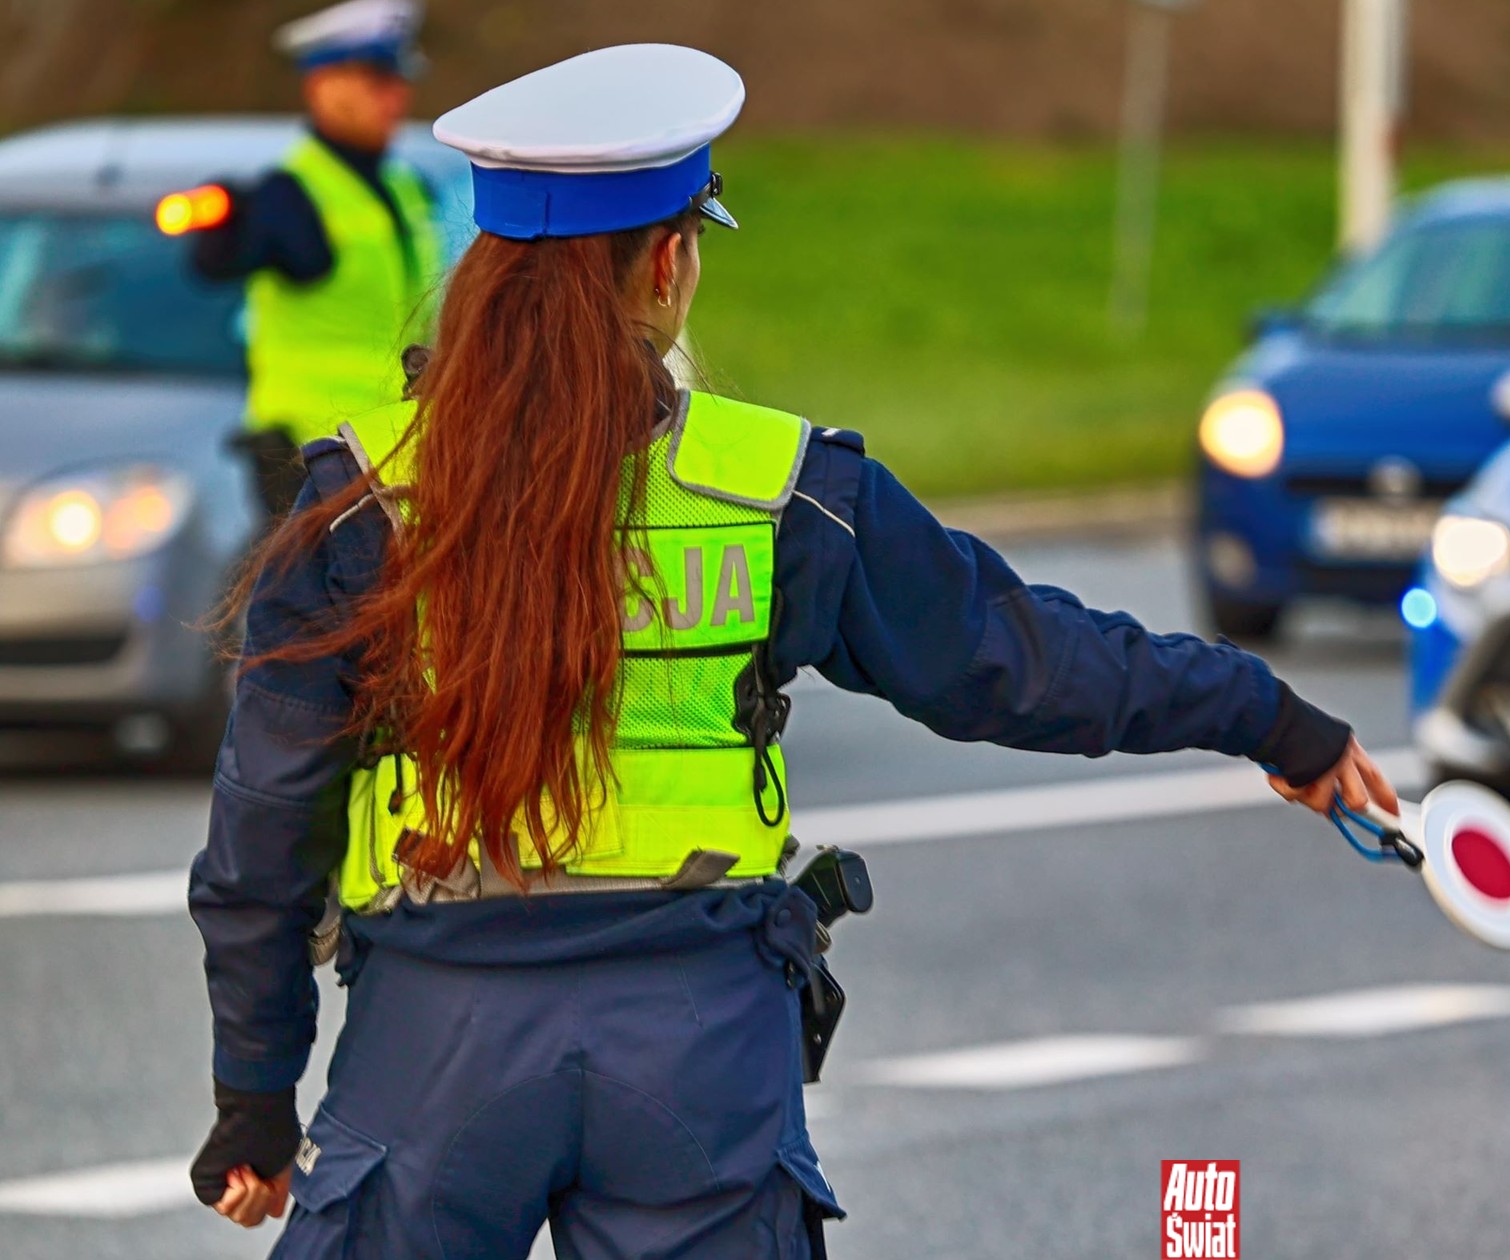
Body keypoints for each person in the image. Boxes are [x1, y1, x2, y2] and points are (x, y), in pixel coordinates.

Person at [186, 43, 1396, 1258]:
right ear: (668, 263)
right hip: (698, 1050)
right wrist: (1267, 717)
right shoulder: (783, 491)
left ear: (486, 272)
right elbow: (1020, 661)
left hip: (435, 1042)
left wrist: (254, 1094)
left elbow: (266, 824)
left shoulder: (367, 503)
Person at [186, 0, 444, 517]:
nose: (396, 95)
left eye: (398, 80)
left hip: (396, 441)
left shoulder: (405, 186)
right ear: (322, 85)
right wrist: (231, 221)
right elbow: (213, 266)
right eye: (376, 79)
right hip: (309, 459)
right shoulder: (289, 193)